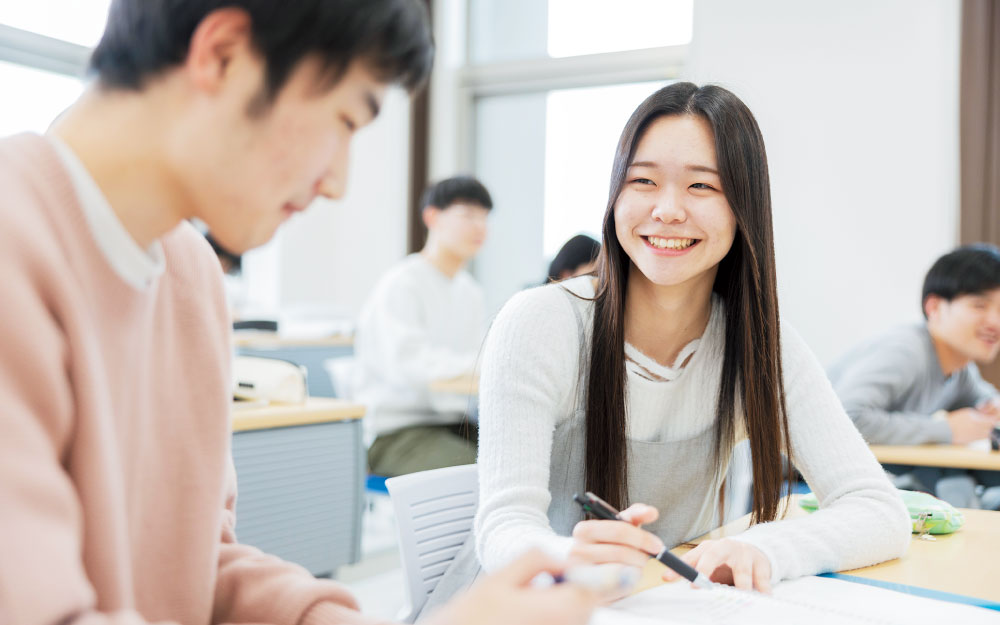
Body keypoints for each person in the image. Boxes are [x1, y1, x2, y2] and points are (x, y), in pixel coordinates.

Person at [0, 2, 598, 625]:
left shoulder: (191, 275)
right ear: (224, 55)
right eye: (344, 121)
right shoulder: (17, 243)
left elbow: (197, 567)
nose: (337, 183)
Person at [472, 82, 911, 595]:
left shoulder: (762, 347)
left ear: (744, 206)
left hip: (664, 603)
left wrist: (765, 549)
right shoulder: (542, 322)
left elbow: (878, 510)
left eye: (702, 186)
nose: (667, 210)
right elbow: (503, 526)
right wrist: (574, 556)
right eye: (643, 181)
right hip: (527, 603)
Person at [828, 244, 1000, 508]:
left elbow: (986, 399)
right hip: (801, 476)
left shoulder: (961, 368)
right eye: (980, 305)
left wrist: (991, 408)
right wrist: (947, 430)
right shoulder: (908, 351)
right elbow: (844, 418)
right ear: (934, 308)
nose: (995, 322)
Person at [354, 176, 491, 477]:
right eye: (468, 215)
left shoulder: (471, 292)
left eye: (484, 217)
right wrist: (480, 366)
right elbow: (410, 366)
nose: (480, 226)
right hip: (398, 432)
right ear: (432, 217)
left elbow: (479, 362)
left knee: (527, 459)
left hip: (455, 424)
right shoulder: (402, 283)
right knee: (480, 474)